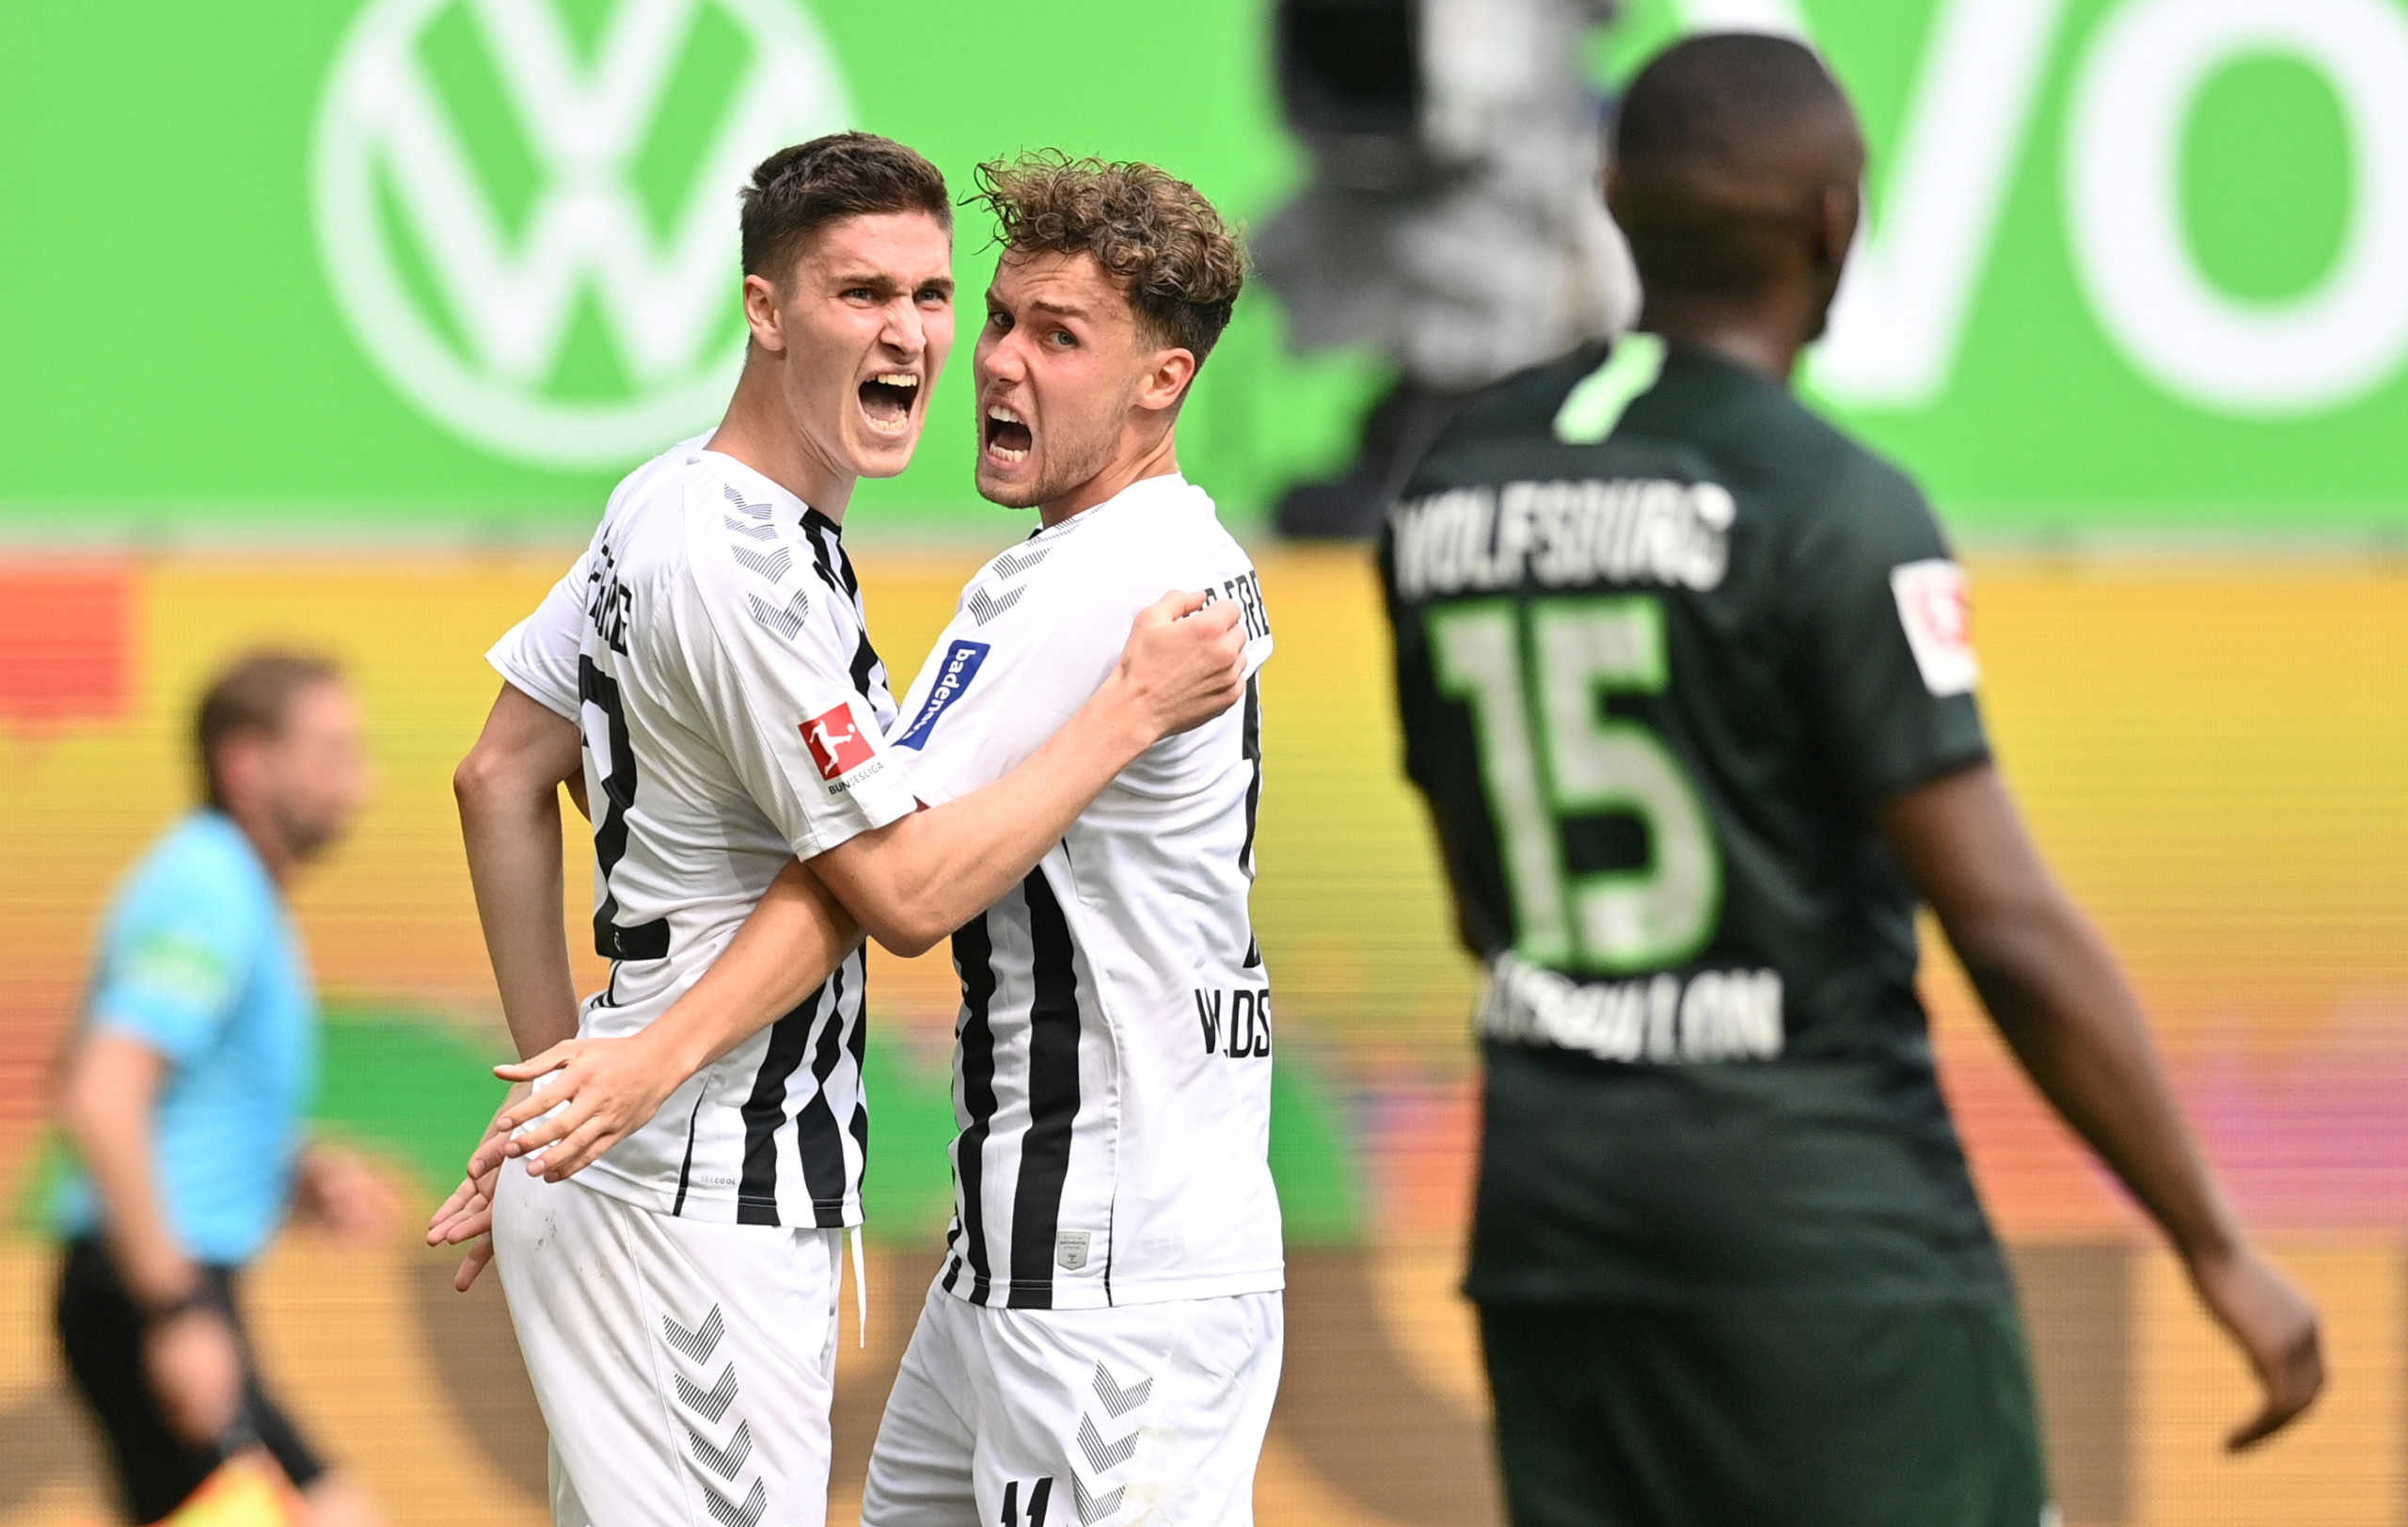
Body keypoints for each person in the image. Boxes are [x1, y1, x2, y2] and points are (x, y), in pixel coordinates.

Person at [1377, 33, 2325, 1527]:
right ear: (1837, 224)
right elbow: (2004, 920)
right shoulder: (1831, 505)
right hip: (1820, 1240)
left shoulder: (1452, 482)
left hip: (1557, 1226)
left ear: (1616, 201)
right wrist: (2214, 1240)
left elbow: (1475, 885)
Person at [430, 133, 1247, 1527]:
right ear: (765, 311)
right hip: (706, 1175)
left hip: (706, 1171)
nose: (935, 342)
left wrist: (559, 1086)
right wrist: (606, 1077)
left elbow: (502, 770)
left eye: (937, 296)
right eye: (871, 295)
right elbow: (896, 883)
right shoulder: (755, 565)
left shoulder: (666, 498)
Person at [53, 650, 393, 1527]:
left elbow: (152, 1097)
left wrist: (288, 1169)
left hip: (150, 1286)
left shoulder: (230, 888)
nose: (361, 781)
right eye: (331, 752)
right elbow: (101, 1094)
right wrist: (174, 1311)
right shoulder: (209, 888)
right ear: (247, 763)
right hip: (148, 1289)